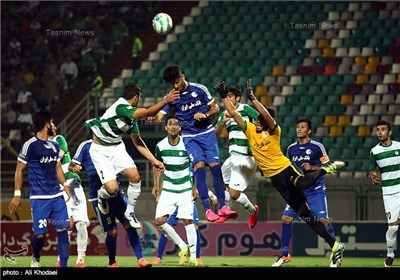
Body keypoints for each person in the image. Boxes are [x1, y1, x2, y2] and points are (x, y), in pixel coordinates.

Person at [214, 79, 345, 267]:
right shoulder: (251, 131)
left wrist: (253, 99)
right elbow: (233, 113)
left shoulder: (275, 132)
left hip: (284, 170)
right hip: (276, 181)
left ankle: (324, 170)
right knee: (306, 216)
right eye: (256, 121)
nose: (257, 123)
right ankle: (335, 245)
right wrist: (223, 96)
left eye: (260, 121)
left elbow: (266, 115)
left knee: (301, 183)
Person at [85, 83, 179, 230]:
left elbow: (137, 141)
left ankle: (130, 212)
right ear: (136, 98)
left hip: (116, 147)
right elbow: (147, 112)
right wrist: (166, 100)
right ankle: (102, 197)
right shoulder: (120, 107)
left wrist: (154, 160)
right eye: (139, 98)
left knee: (135, 177)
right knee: (112, 189)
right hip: (100, 150)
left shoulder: (131, 116)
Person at [155, 65, 237, 223]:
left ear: (182, 76)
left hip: (207, 133)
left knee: (215, 167)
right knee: (198, 168)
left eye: (177, 81)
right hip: (189, 136)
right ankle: (207, 210)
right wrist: (153, 117)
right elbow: (160, 115)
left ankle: (222, 206)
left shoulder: (199, 89)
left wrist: (205, 114)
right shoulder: (172, 96)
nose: (176, 86)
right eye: (172, 84)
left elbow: (215, 108)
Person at [69, 138, 153, 268]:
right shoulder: (85, 145)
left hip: (117, 194)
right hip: (97, 197)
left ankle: (141, 259)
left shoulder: (113, 142)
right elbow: (71, 164)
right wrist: (74, 167)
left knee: (129, 224)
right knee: (112, 231)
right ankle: (112, 262)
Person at [8, 111, 71, 268]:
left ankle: (63, 266)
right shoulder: (30, 145)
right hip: (39, 198)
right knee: (40, 235)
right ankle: (36, 256)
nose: (53, 125)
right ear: (46, 125)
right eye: (51, 122)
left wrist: (65, 185)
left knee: (63, 230)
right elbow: (19, 170)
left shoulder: (55, 145)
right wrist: (17, 195)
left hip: (57, 196)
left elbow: (57, 166)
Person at [272, 117, 336, 267]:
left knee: (323, 222)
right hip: (298, 191)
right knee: (286, 219)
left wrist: (313, 169)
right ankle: (284, 254)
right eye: (298, 127)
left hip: (315, 190)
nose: (299, 129)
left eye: (302, 127)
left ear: (309, 131)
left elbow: (329, 167)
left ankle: (335, 252)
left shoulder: (317, 147)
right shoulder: (290, 149)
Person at [151, 114, 198, 266]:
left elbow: (197, 165)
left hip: (185, 188)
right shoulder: (160, 145)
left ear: (180, 127)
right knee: (159, 221)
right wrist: (156, 185)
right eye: (170, 124)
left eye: (176, 124)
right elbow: (156, 165)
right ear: (166, 127)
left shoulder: (187, 143)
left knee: (188, 221)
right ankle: (183, 246)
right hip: (169, 189)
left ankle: (193, 258)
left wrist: (195, 187)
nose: (173, 126)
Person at [214, 85, 260, 227]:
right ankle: (226, 211)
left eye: (230, 96)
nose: (228, 99)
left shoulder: (245, 109)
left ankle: (253, 211)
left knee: (234, 193)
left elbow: (261, 119)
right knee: (220, 182)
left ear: (237, 98)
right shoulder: (224, 114)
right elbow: (214, 133)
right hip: (232, 156)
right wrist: (223, 122)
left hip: (246, 156)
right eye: (226, 96)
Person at [49, 128, 89, 268]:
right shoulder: (38, 147)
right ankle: (61, 259)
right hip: (58, 189)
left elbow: (61, 154)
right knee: (66, 226)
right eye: (51, 124)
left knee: (81, 223)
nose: (54, 126)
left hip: (73, 184)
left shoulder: (59, 139)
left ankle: (80, 260)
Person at [369, 120, 400, 268]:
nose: (380, 132)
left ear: (389, 132)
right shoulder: (374, 152)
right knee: (393, 228)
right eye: (378, 130)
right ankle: (390, 254)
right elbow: (372, 170)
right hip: (389, 192)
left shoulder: (399, 147)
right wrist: (373, 176)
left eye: (382, 129)